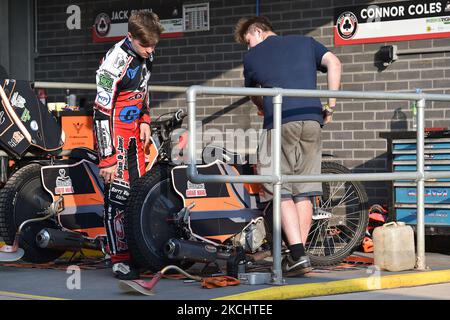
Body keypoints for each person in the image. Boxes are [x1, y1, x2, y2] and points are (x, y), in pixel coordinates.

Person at [234, 16, 342, 276]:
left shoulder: (252, 58)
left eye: (249, 42)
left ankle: (297, 254)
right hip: (313, 120)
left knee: (278, 186)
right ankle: (299, 257)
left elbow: (254, 94)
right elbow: (334, 63)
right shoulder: (306, 42)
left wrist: (263, 107)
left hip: (280, 123)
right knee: (304, 190)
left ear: (257, 31)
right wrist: (330, 104)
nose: (249, 48)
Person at [93, 11, 162, 280]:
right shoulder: (113, 62)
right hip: (114, 136)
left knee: (139, 194)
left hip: (136, 136)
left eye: (154, 45)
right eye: (146, 45)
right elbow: (100, 112)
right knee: (117, 196)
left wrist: (146, 120)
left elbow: (144, 89)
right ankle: (119, 259)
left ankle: (137, 251)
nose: (151, 50)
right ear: (130, 37)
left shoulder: (148, 53)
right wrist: (107, 157)